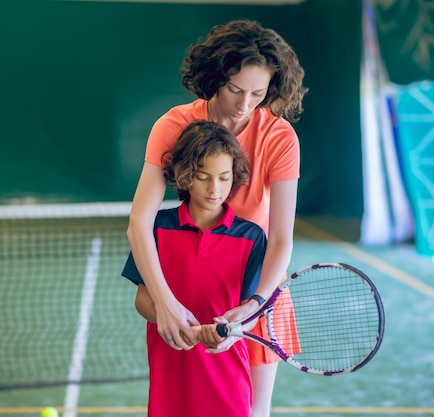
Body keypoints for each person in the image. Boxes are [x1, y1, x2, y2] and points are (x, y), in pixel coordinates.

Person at [126, 19, 307, 416]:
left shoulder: (279, 138)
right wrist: (165, 302)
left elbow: (280, 240)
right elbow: (140, 222)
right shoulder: (173, 126)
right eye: (234, 89)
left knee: (253, 412)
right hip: (190, 291)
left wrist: (254, 304)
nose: (244, 105)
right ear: (214, 78)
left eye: (258, 94)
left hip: (254, 291)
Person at [122, 120, 267, 417]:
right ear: (185, 175)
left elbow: (251, 312)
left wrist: (230, 330)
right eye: (203, 177)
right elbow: (142, 300)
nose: (215, 189)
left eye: (225, 178)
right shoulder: (157, 228)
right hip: (170, 372)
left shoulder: (252, 238)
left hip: (228, 377)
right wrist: (177, 323)